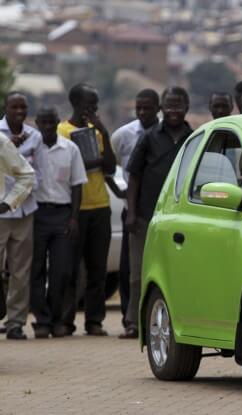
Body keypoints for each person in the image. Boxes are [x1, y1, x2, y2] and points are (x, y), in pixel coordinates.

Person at [124, 87, 194, 338]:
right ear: (162, 109)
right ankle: (134, 322)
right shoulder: (149, 137)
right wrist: (131, 212)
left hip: (180, 220)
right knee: (138, 273)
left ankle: (178, 322)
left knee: (178, 274)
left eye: (178, 105)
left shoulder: (193, 139)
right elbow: (133, 177)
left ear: (186, 107)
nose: (173, 110)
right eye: (169, 106)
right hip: (145, 217)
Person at [59, 83, 116, 336]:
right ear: (76, 104)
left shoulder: (97, 131)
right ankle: (66, 321)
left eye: (96, 105)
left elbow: (111, 167)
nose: (93, 110)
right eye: (89, 105)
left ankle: (94, 321)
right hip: (75, 209)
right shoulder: (62, 131)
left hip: (100, 206)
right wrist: (94, 162)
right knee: (70, 269)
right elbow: (70, 166)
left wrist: (103, 130)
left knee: (97, 269)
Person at [30, 107, 87, 338]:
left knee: (61, 271)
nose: (47, 127)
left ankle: (57, 320)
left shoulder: (70, 149)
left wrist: (74, 217)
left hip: (63, 214)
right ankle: (41, 321)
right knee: (35, 270)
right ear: (37, 123)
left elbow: (77, 185)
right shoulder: (31, 149)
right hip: (37, 214)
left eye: (51, 123)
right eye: (42, 123)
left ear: (57, 123)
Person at [110, 89, 160, 334]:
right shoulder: (124, 134)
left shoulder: (167, 136)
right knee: (132, 269)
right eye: (138, 108)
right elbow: (116, 166)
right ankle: (131, 320)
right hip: (135, 211)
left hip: (161, 212)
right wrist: (126, 202)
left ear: (157, 108)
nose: (142, 112)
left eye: (147, 108)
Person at [0, 92, 41, 340]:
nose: (19, 111)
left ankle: (15, 323)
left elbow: (32, 175)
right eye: (14, 106)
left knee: (20, 271)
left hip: (23, 211)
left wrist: (8, 202)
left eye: (23, 107)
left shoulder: (32, 136)